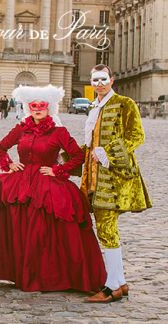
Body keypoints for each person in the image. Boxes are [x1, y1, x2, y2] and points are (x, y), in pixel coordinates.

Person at [0, 85, 106, 293]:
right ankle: (20, 273)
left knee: (42, 231)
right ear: (28, 107)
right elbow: (0, 147)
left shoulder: (58, 131)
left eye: (42, 105)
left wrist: (58, 170)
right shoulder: (21, 129)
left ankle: (48, 276)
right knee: (21, 227)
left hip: (47, 183)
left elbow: (78, 155)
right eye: (33, 105)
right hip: (22, 183)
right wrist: (9, 164)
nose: (37, 109)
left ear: (49, 107)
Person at [81, 64, 151, 302]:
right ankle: (120, 282)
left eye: (103, 79)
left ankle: (111, 288)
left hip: (114, 178)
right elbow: (90, 145)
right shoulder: (95, 107)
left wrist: (108, 154)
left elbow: (136, 136)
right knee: (106, 230)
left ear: (112, 80)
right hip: (93, 178)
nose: (99, 84)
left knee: (107, 230)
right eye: (95, 80)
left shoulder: (125, 103)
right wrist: (67, 158)